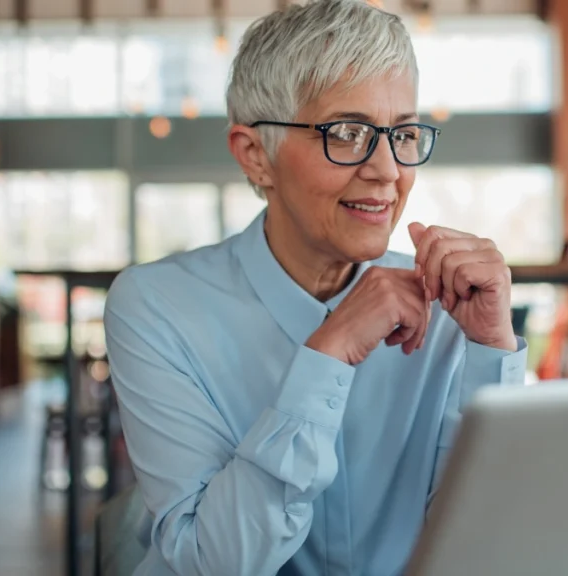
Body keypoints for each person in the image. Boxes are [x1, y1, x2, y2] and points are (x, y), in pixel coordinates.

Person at [103, 1, 528, 575]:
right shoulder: (157, 308)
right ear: (256, 156)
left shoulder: (450, 303)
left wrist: (493, 353)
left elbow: (486, 544)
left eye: (402, 133)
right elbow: (213, 563)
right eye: (347, 133)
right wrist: (329, 353)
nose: (387, 170)